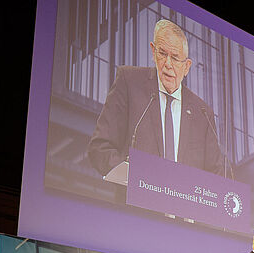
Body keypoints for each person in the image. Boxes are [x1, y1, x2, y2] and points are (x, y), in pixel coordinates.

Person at [88, 19, 223, 178]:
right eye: (162, 54)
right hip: (134, 192)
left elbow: (217, 175)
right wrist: (132, 178)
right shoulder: (129, 82)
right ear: (153, 52)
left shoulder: (203, 113)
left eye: (175, 58)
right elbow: (100, 147)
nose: (168, 64)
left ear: (186, 67)